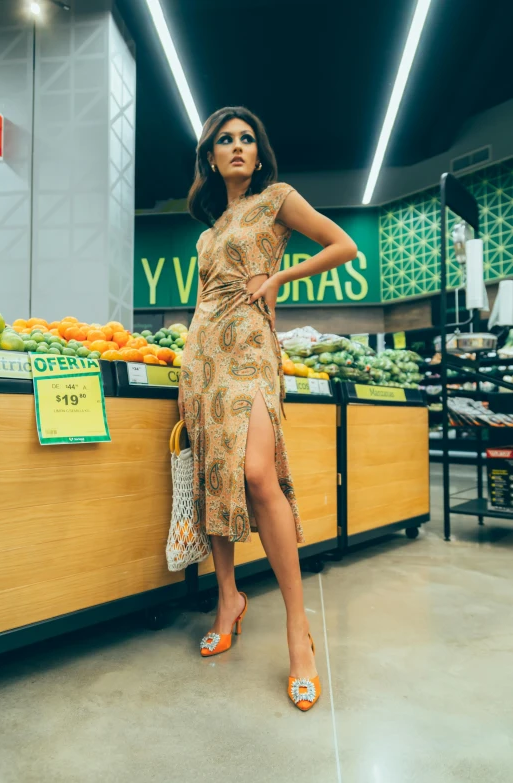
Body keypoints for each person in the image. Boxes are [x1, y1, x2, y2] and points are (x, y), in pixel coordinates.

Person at [179, 106, 357, 711]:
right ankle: (228, 597)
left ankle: (296, 629)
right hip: (202, 357)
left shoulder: (276, 198)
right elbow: (205, 298)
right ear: (210, 156)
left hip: (252, 351)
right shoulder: (206, 235)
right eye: (224, 140)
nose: (236, 147)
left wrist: (281, 279)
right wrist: (187, 348)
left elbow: (343, 244)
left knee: (257, 474)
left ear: (258, 154)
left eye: (246, 139)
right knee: (214, 478)